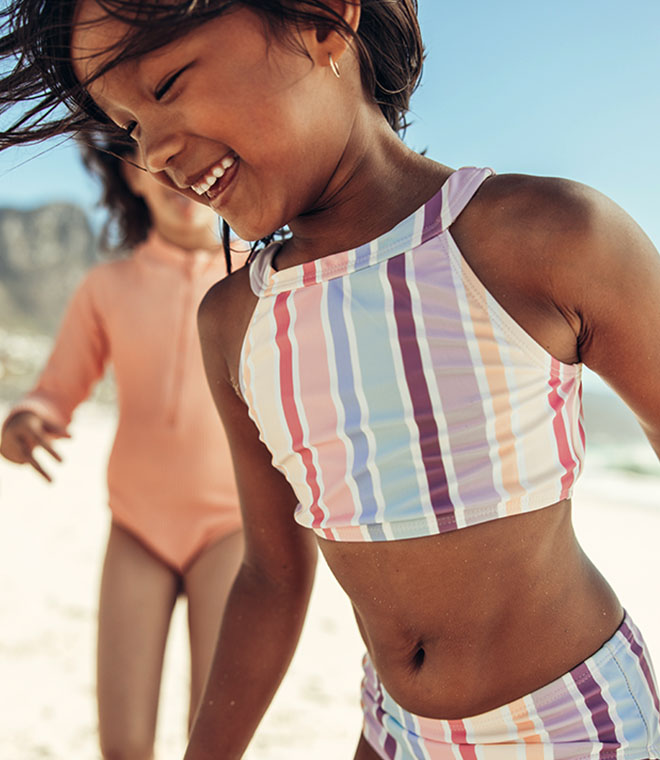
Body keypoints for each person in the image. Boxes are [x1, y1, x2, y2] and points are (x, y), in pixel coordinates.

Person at [1, 1, 659, 759]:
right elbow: (271, 576)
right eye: (131, 128)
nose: (154, 153)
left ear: (322, 21)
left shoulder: (546, 236)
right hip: (389, 729)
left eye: (170, 83)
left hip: (577, 727)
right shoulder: (236, 323)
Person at [0, 135, 244, 760]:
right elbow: (57, 389)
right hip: (137, 527)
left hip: (235, 531)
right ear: (130, 176)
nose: (177, 172)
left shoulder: (261, 279)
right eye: (156, 163)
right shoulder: (107, 288)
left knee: (210, 745)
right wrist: (26, 420)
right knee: (123, 747)